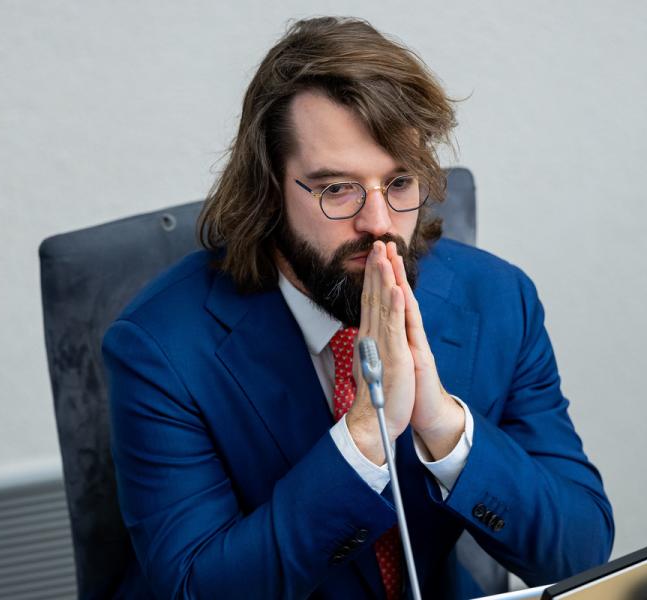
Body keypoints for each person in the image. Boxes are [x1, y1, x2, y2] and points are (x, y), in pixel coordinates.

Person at [103, 16, 614, 600]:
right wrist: (366, 435)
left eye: (399, 184)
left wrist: (444, 426)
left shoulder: (499, 300)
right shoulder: (159, 348)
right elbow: (194, 589)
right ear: (269, 190)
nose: (378, 224)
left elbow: (580, 552)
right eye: (336, 189)